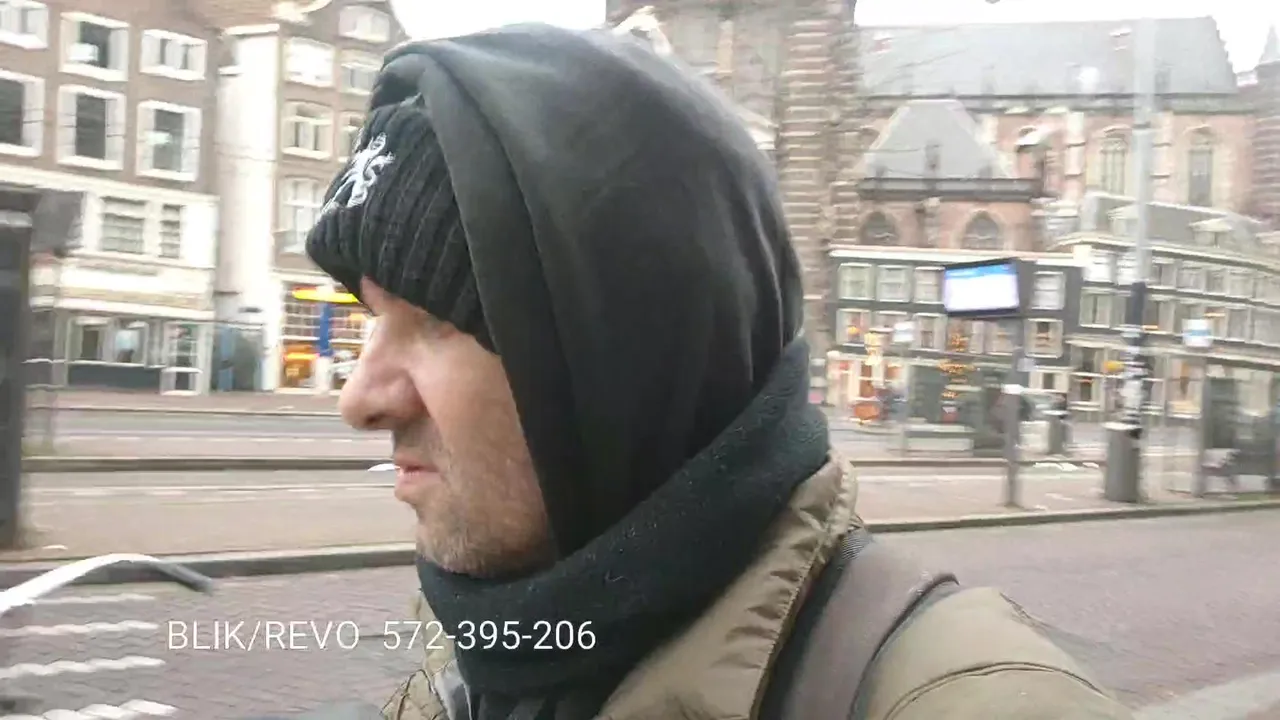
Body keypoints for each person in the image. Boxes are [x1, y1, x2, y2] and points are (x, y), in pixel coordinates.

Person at [307, 22, 1133, 720]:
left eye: (436, 320)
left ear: (622, 363)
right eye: (373, 317)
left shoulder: (970, 700)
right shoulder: (466, 670)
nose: (359, 399)